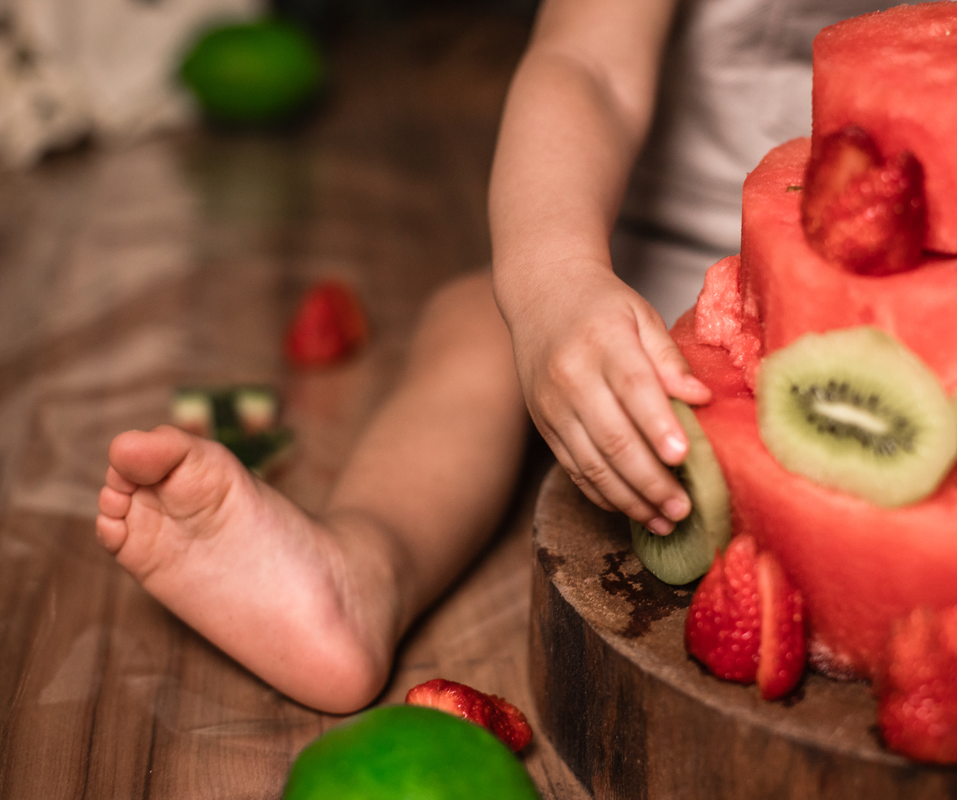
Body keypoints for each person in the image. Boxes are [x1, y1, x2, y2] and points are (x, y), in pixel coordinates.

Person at [96, 0, 897, 713]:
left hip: (894, 315)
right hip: (645, 273)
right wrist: (554, 282)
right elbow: (586, 70)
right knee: (476, 318)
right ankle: (362, 567)